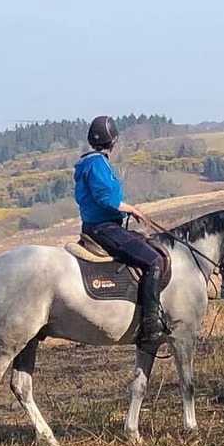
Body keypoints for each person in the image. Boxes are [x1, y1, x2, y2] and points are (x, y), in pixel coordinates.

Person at [73, 115, 167, 354]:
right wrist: (132, 209)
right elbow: (107, 199)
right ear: (113, 142)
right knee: (153, 260)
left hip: (99, 225)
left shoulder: (90, 162)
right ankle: (150, 326)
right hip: (104, 228)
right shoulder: (97, 164)